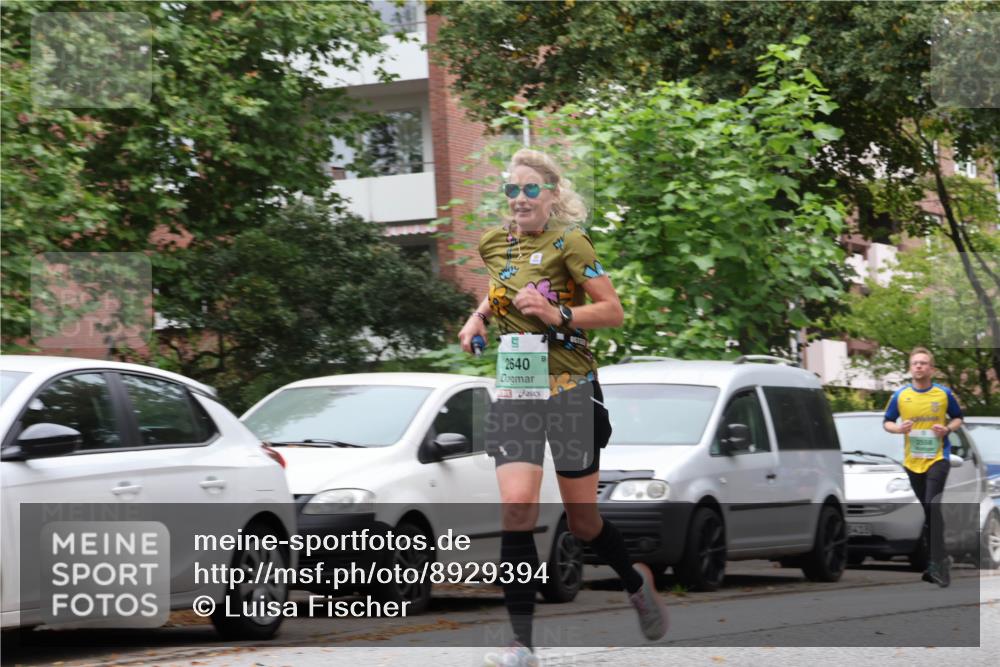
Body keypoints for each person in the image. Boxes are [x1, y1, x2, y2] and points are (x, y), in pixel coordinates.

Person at [458, 149, 668, 667]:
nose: (521, 198)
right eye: (513, 190)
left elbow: (612, 311)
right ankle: (521, 644)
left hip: (571, 388)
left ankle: (633, 580)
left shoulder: (571, 242)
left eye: (532, 189)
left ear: (552, 194)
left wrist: (558, 312)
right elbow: (500, 286)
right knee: (516, 510)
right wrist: (477, 318)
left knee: (583, 523)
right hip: (517, 387)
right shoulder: (493, 244)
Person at [882, 346, 964, 587]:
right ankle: (939, 561)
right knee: (929, 511)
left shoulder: (943, 394)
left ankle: (937, 561)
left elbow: (959, 417)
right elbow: (886, 421)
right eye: (915, 363)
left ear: (932, 369)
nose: (919, 366)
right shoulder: (900, 396)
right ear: (910, 368)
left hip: (938, 457)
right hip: (912, 461)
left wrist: (948, 428)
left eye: (923, 363)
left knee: (932, 503)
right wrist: (898, 429)